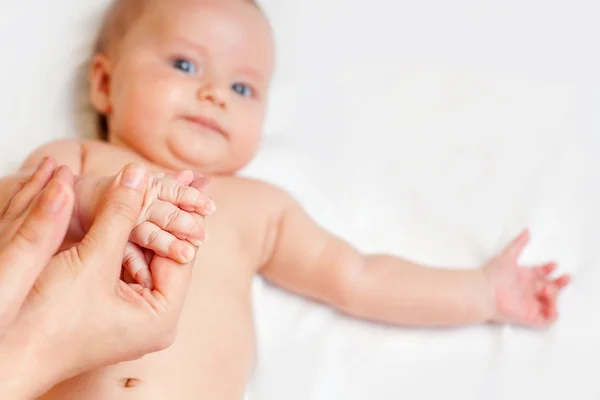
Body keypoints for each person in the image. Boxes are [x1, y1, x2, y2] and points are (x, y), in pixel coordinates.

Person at [0, 0, 571, 398]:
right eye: (184, 63)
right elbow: (14, 210)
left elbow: (357, 276)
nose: (213, 94)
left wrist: (480, 293)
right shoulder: (79, 160)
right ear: (103, 84)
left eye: (242, 87)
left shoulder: (258, 207)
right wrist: (97, 198)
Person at [0, 160, 205, 398]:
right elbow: (17, 202)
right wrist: (86, 197)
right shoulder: (84, 154)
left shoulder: (249, 197)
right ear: (108, 118)